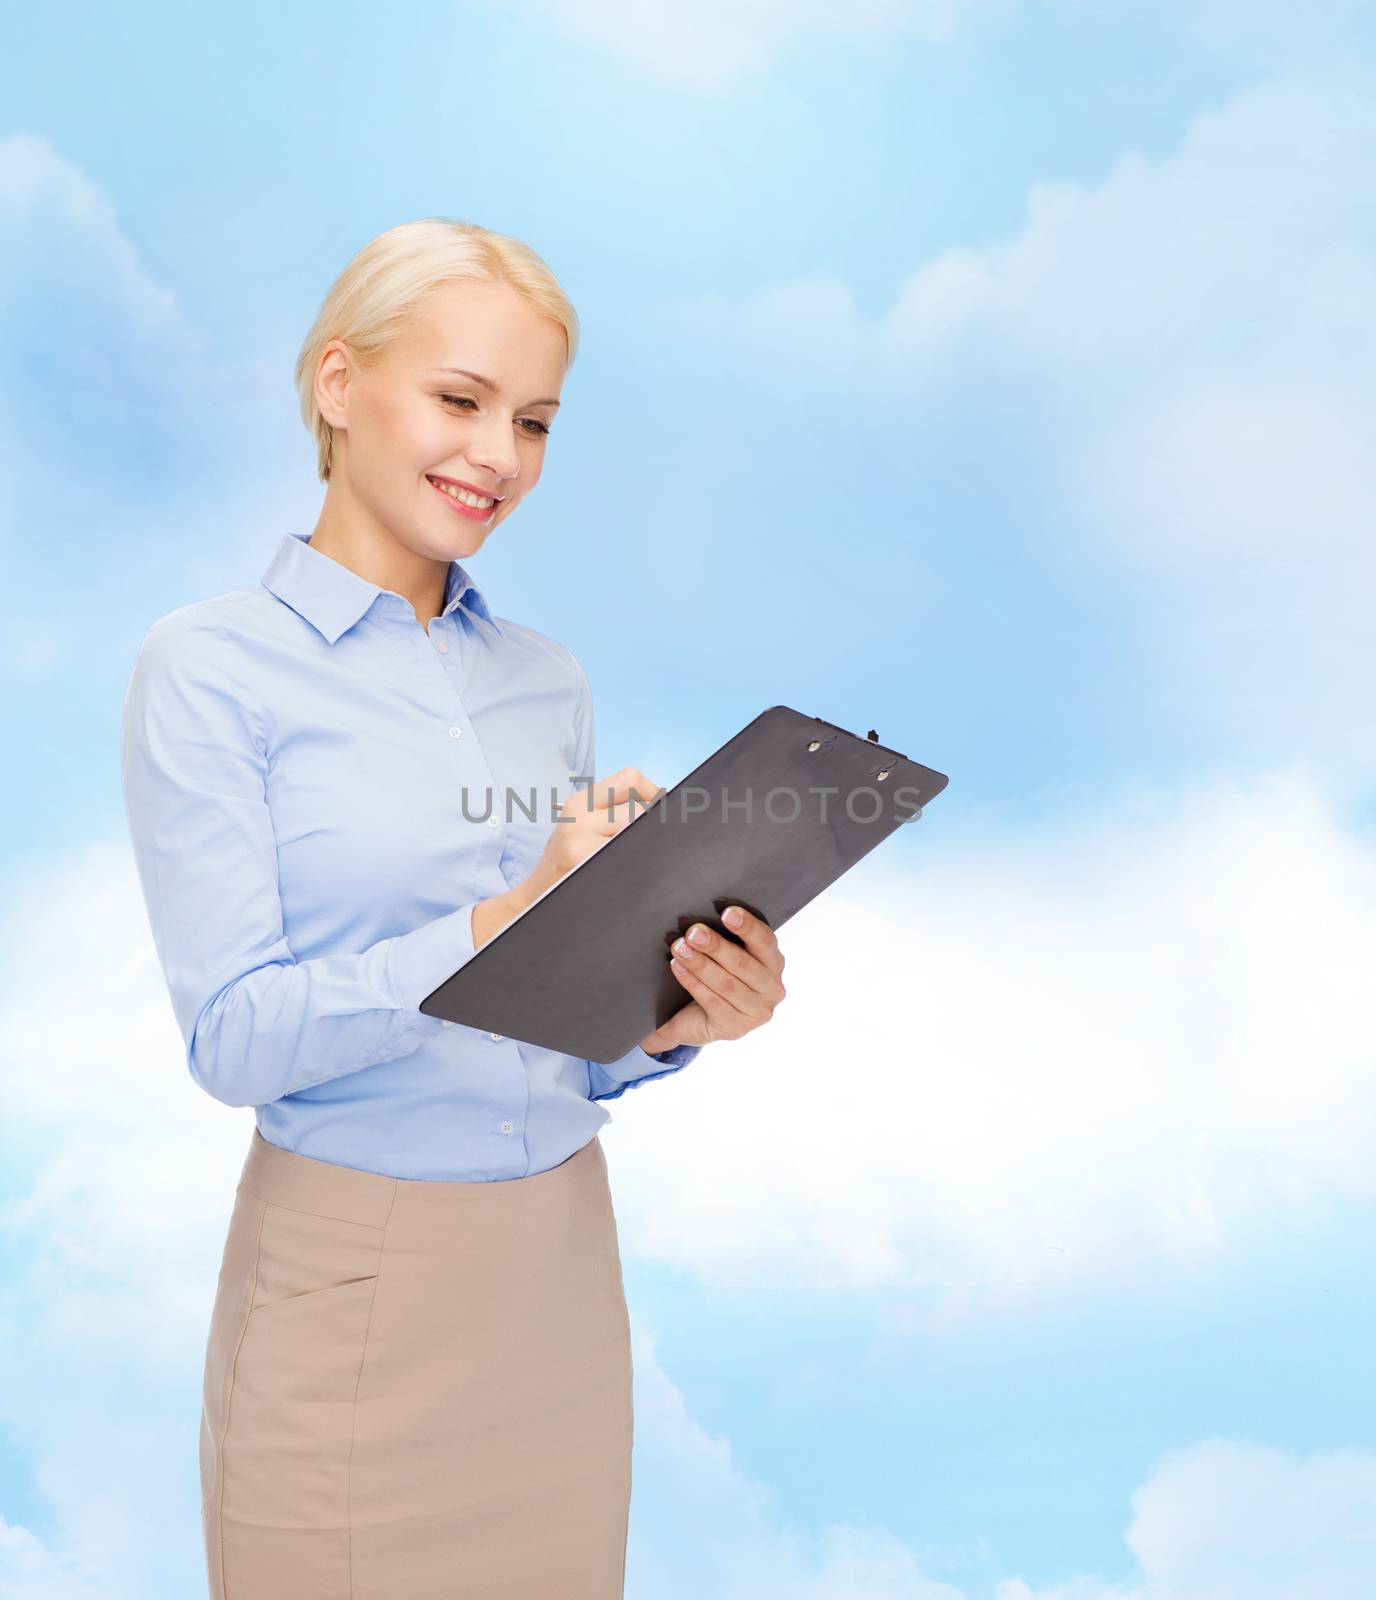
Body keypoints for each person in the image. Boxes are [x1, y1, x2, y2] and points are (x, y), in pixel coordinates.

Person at [119, 216, 787, 1599]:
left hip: (555, 1287)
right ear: (338, 383)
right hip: (348, 1294)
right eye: (462, 400)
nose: (499, 457)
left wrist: (681, 1017)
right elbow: (234, 1041)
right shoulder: (207, 672)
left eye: (534, 421)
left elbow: (565, 1038)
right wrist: (503, 917)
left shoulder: (545, 683)